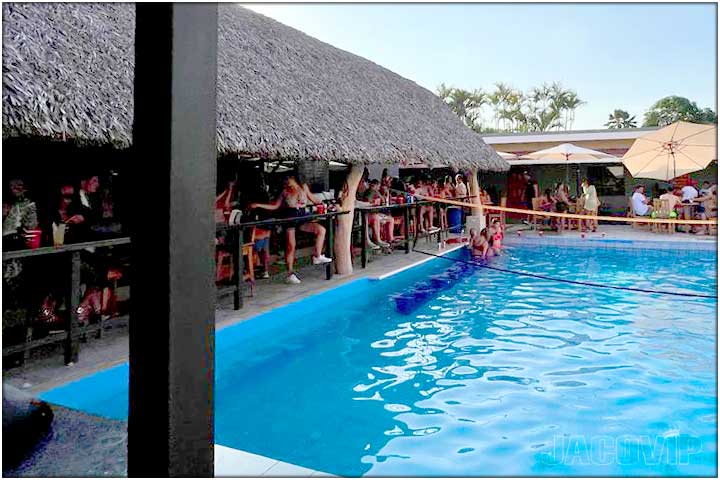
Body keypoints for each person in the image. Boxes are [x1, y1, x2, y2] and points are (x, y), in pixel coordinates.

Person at [250, 174, 331, 284]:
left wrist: (327, 205)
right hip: (290, 217)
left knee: (321, 230)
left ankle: (317, 256)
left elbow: (314, 199)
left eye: (288, 180)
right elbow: (275, 206)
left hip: (302, 216)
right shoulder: (285, 191)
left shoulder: (303, 187)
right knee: (290, 246)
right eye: (285, 181)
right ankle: (290, 274)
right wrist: (259, 205)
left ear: (294, 178)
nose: (287, 182)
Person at [3, 179, 38, 249]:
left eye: (20, 185)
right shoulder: (5, 205)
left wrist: (31, 210)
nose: (17, 188)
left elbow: (32, 226)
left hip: (19, 242)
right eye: (13, 186)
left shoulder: (27, 203)